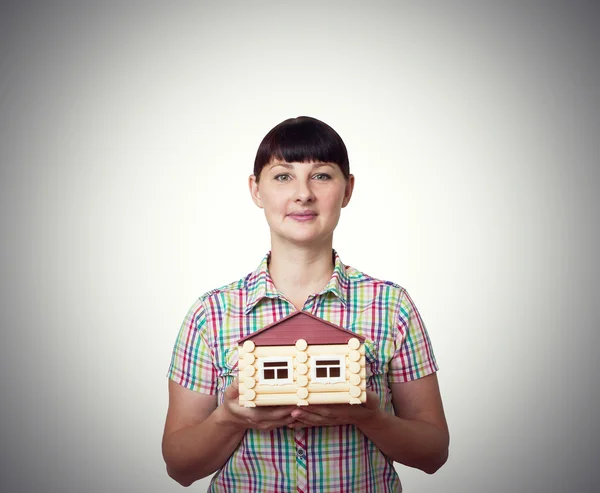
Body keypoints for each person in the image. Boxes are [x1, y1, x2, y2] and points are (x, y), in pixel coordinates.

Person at [162, 116, 449, 492]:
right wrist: (229, 419)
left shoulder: (391, 306)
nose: (303, 194)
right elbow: (180, 467)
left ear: (348, 190)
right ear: (256, 189)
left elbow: (433, 454)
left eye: (322, 175)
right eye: (283, 176)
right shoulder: (211, 314)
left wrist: (372, 418)